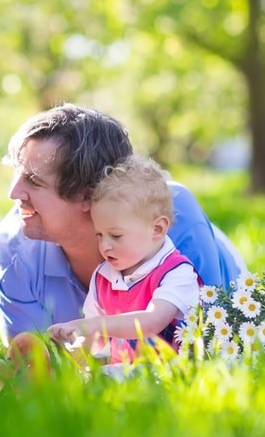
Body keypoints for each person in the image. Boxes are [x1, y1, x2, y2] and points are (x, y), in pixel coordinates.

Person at [0, 104, 245, 346]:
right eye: (17, 173)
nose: (13, 193)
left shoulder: (171, 215)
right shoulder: (14, 248)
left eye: (33, 181)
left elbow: (210, 342)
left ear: (87, 194)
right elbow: (33, 364)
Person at [47, 155, 200, 364]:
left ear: (157, 229)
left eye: (116, 236)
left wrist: (93, 326)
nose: (104, 245)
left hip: (169, 376)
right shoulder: (104, 276)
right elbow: (96, 339)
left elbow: (151, 322)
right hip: (124, 374)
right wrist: (74, 344)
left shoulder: (176, 272)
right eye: (99, 235)